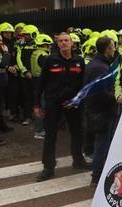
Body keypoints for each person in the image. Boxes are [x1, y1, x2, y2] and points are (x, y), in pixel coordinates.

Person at [34, 32, 88, 181]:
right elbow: (41, 83)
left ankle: (78, 161)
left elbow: (83, 85)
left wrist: (79, 100)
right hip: (53, 103)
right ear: (57, 44)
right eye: (61, 41)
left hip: (73, 104)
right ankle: (48, 168)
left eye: (66, 40)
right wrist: (37, 104)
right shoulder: (49, 60)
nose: (64, 43)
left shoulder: (79, 61)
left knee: (77, 132)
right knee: (50, 135)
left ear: (72, 43)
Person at [85, 36, 119, 186]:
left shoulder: (98, 64)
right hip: (102, 112)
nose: (115, 50)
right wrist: (116, 97)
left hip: (100, 110)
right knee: (102, 144)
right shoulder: (100, 67)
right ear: (107, 49)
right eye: (113, 47)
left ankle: (98, 173)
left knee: (103, 143)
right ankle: (97, 176)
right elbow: (100, 92)